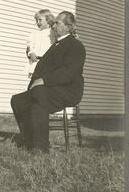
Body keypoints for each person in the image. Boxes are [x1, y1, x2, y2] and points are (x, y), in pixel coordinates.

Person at [10, 11, 86, 153]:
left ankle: (40, 147)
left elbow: (69, 73)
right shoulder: (56, 45)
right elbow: (41, 68)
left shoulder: (75, 45)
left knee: (39, 94)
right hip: (51, 88)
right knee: (17, 100)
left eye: (57, 23)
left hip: (69, 90)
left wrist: (43, 81)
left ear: (68, 26)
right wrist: (33, 84)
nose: (54, 25)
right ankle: (29, 141)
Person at [24, 9, 55, 78]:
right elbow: (29, 45)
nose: (38, 22)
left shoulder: (53, 32)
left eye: (40, 20)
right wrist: (31, 53)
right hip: (36, 62)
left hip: (48, 64)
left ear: (48, 19)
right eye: (36, 20)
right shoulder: (35, 34)